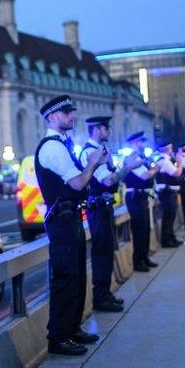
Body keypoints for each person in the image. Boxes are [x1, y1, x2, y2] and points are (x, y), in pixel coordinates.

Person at [33, 95, 107, 356]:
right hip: (62, 220)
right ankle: (59, 336)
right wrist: (93, 163)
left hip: (71, 217)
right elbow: (77, 183)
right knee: (65, 277)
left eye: (71, 112)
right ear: (52, 117)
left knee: (76, 276)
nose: (71, 116)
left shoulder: (63, 144)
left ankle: (72, 329)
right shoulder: (52, 147)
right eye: (66, 113)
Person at [78, 116, 143, 312]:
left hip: (105, 207)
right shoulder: (90, 153)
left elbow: (112, 179)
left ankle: (105, 293)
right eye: (106, 127)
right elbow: (107, 181)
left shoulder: (102, 152)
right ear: (97, 129)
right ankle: (100, 298)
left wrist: (120, 166)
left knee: (106, 252)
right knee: (100, 253)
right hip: (97, 209)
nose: (109, 130)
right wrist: (127, 168)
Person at [121, 132, 160, 272]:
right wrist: (156, 168)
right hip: (135, 197)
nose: (144, 144)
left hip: (142, 197)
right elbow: (145, 176)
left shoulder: (142, 158)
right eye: (142, 142)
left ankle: (144, 258)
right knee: (139, 230)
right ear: (136, 143)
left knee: (145, 229)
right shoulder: (133, 159)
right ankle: (138, 262)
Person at [154, 143, 184, 248]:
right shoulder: (164, 160)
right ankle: (167, 240)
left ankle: (171, 238)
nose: (172, 149)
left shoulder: (166, 159)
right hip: (167, 193)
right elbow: (177, 173)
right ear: (167, 149)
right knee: (168, 217)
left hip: (170, 192)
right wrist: (180, 162)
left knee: (171, 217)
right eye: (171, 147)